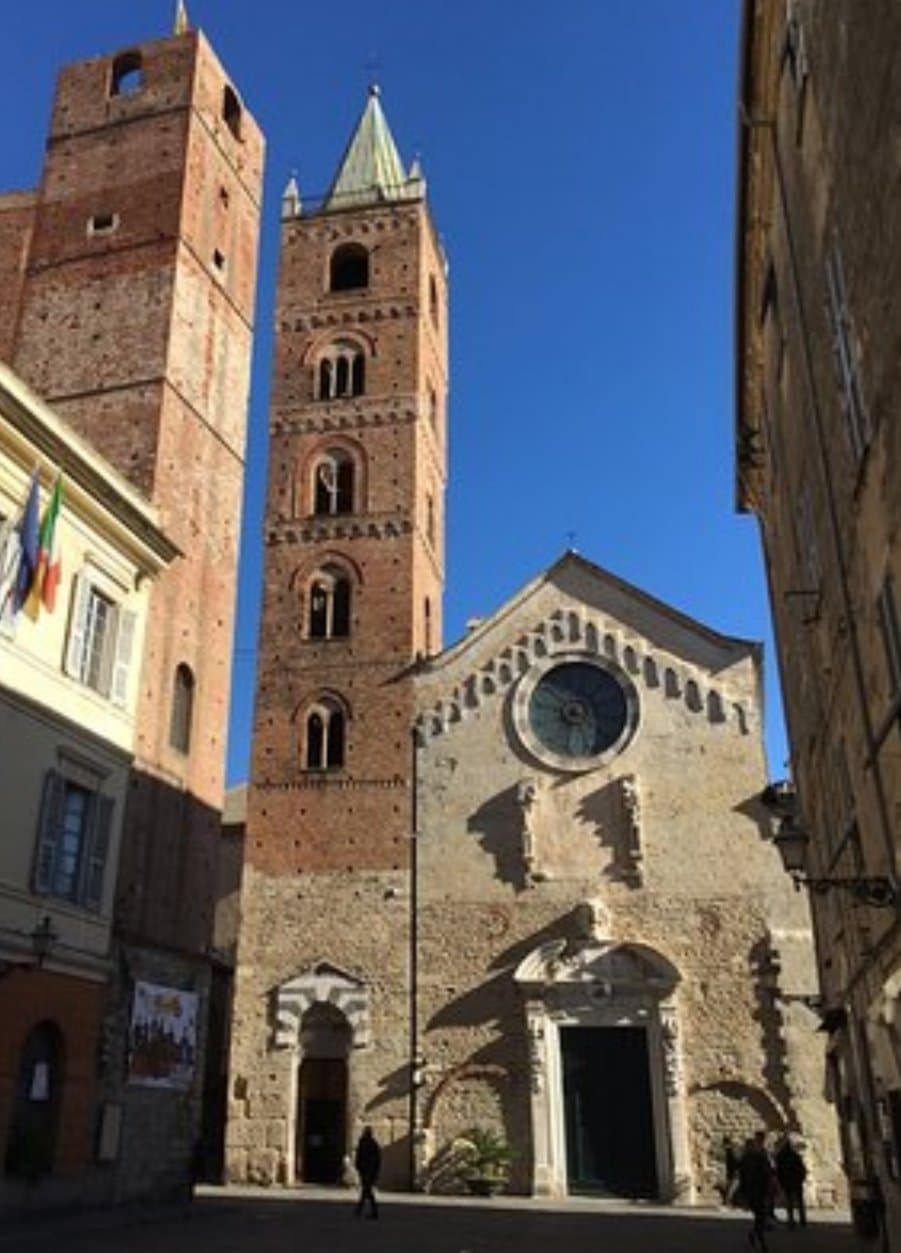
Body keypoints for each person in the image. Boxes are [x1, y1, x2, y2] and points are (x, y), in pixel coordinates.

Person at [738, 1131, 776, 1251]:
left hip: (760, 1190)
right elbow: (768, 1172)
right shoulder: (757, 1156)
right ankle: (760, 1240)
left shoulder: (758, 1155)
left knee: (761, 1216)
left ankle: (755, 1235)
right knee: (761, 1216)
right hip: (757, 1190)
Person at [775, 1135, 808, 1229]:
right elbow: (802, 1169)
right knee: (800, 1201)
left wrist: (781, 1181)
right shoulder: (795, 1156)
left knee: (789, 1201)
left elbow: (779, 1171)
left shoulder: (780, 1157)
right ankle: (803, 1220)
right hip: (796, 1181)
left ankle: (791, 1220)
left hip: (787, 1182)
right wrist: (801, 1179)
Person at [354, 1125, 381, 1219]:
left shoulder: (365, 1143)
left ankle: (360, 1210)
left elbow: (359, 1157)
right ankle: (369, 1211)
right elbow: (377, 1160)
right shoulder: (373, 1144)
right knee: (367, 1191)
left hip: (366, 1171)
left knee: (366, 1191)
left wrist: (358, 1166)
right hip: (368, 1171)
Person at [721, 1136, 741, 1206]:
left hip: (734, 1174)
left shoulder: (731, 1151)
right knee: (730, 1189)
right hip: (733, 1174)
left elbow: (736, 1162)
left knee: (731, 1189)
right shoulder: (731, 1151)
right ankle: (728, 1202)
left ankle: (728, 1202)